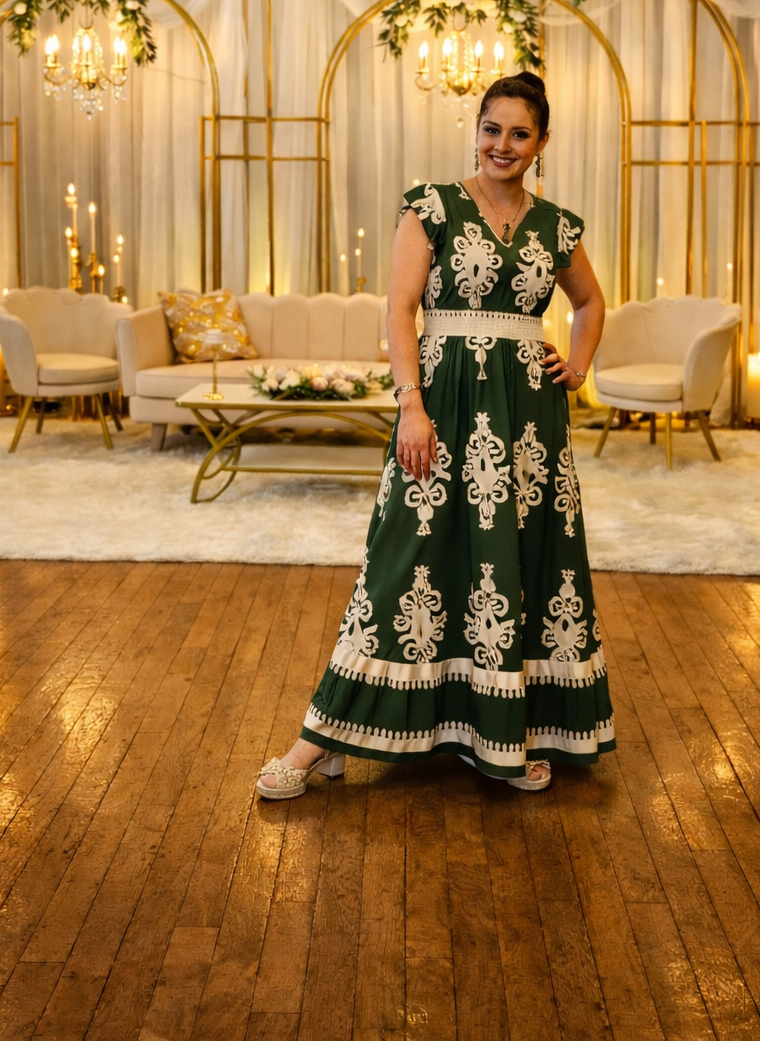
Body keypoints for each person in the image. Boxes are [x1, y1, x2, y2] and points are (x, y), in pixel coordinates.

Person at [256, 71, 615, 798]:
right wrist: (410, 406)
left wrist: (576, 367)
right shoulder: (432, 206)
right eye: (491, 129)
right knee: (405, 558)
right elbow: (400, 310)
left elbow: (590, 301)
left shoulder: (558, 225)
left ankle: (503, 735)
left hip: (529, 425)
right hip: (443, 406)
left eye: (519, 133)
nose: (502, 145)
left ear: (542, 142)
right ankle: (323, 738)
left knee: (518, 564)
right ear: (475, 131)